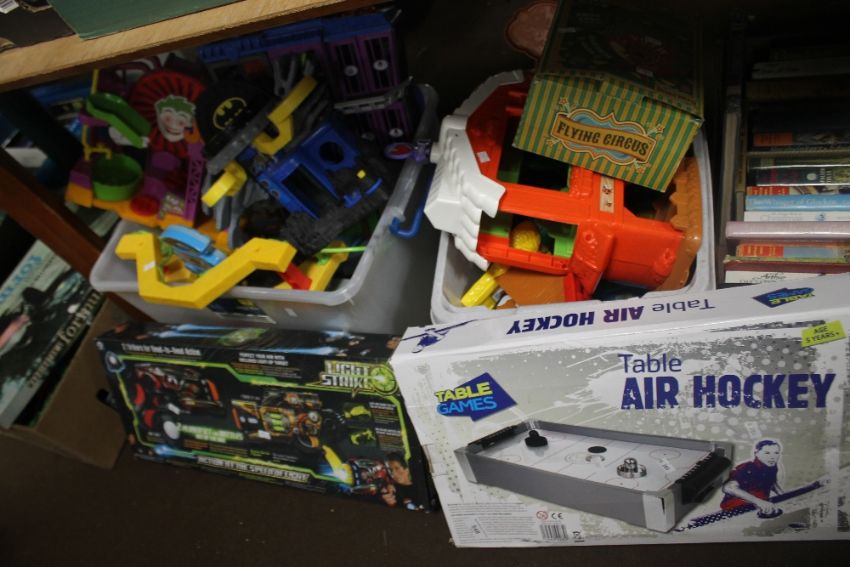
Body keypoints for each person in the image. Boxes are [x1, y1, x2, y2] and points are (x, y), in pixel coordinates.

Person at [721, 439, 785, 517]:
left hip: (761, 506)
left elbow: (772, 482)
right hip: (736, 509)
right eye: (767, 453)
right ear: (756, 453)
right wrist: (759, 502)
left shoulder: (772, 466)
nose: (772, 457)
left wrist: (784, 496)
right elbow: (728, 487)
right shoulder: (747, 468)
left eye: (776, 453)